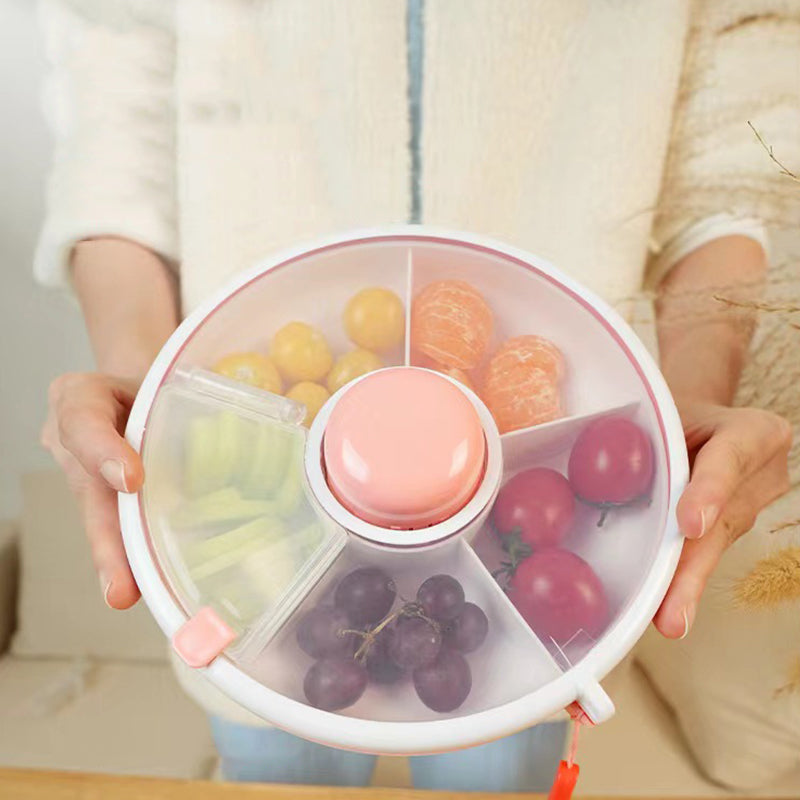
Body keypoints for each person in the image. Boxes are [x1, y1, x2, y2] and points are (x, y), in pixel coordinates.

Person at [35, 0, 798, 793]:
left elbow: (727, 168)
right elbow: (116, 143)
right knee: (277, 760)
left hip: (531, 517)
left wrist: (686, 412)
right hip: (257, 486)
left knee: (502, 764)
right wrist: (146, 390)